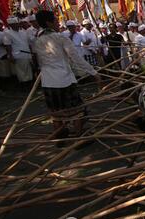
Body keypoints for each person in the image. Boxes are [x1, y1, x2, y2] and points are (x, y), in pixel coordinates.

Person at [32, 10, 101, 145]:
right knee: (77, 111)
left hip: (48, 81)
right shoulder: (61, 38)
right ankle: (79, 139)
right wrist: (94, 72)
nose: (58, 23)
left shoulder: (38, 39)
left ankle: (60, 139)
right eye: (56, 20)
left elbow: (39, 60)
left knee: (56, 112)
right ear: (48, 22)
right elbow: (76, 58)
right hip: (64, 80)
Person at [3, 16, 33, 88]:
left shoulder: (23, 32)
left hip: (27, 54)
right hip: (18, 55)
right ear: (11, 25)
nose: (17, 25)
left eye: (17, 23)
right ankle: (24, 86)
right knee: (22, 73)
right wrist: (10, 56)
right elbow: (8, 45)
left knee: (29, 71)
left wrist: (31, 53)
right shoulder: (8, 33)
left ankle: (30, 86)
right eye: (15, 24)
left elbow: (28, 43)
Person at [0, 18, 12, 93]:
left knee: (5, 71)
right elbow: (4, 44)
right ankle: (3, 87)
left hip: (3, 53)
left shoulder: (3, 33)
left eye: (1, 24)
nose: (0, 26)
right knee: (3, 72)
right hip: (1, 54)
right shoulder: (1, 33)